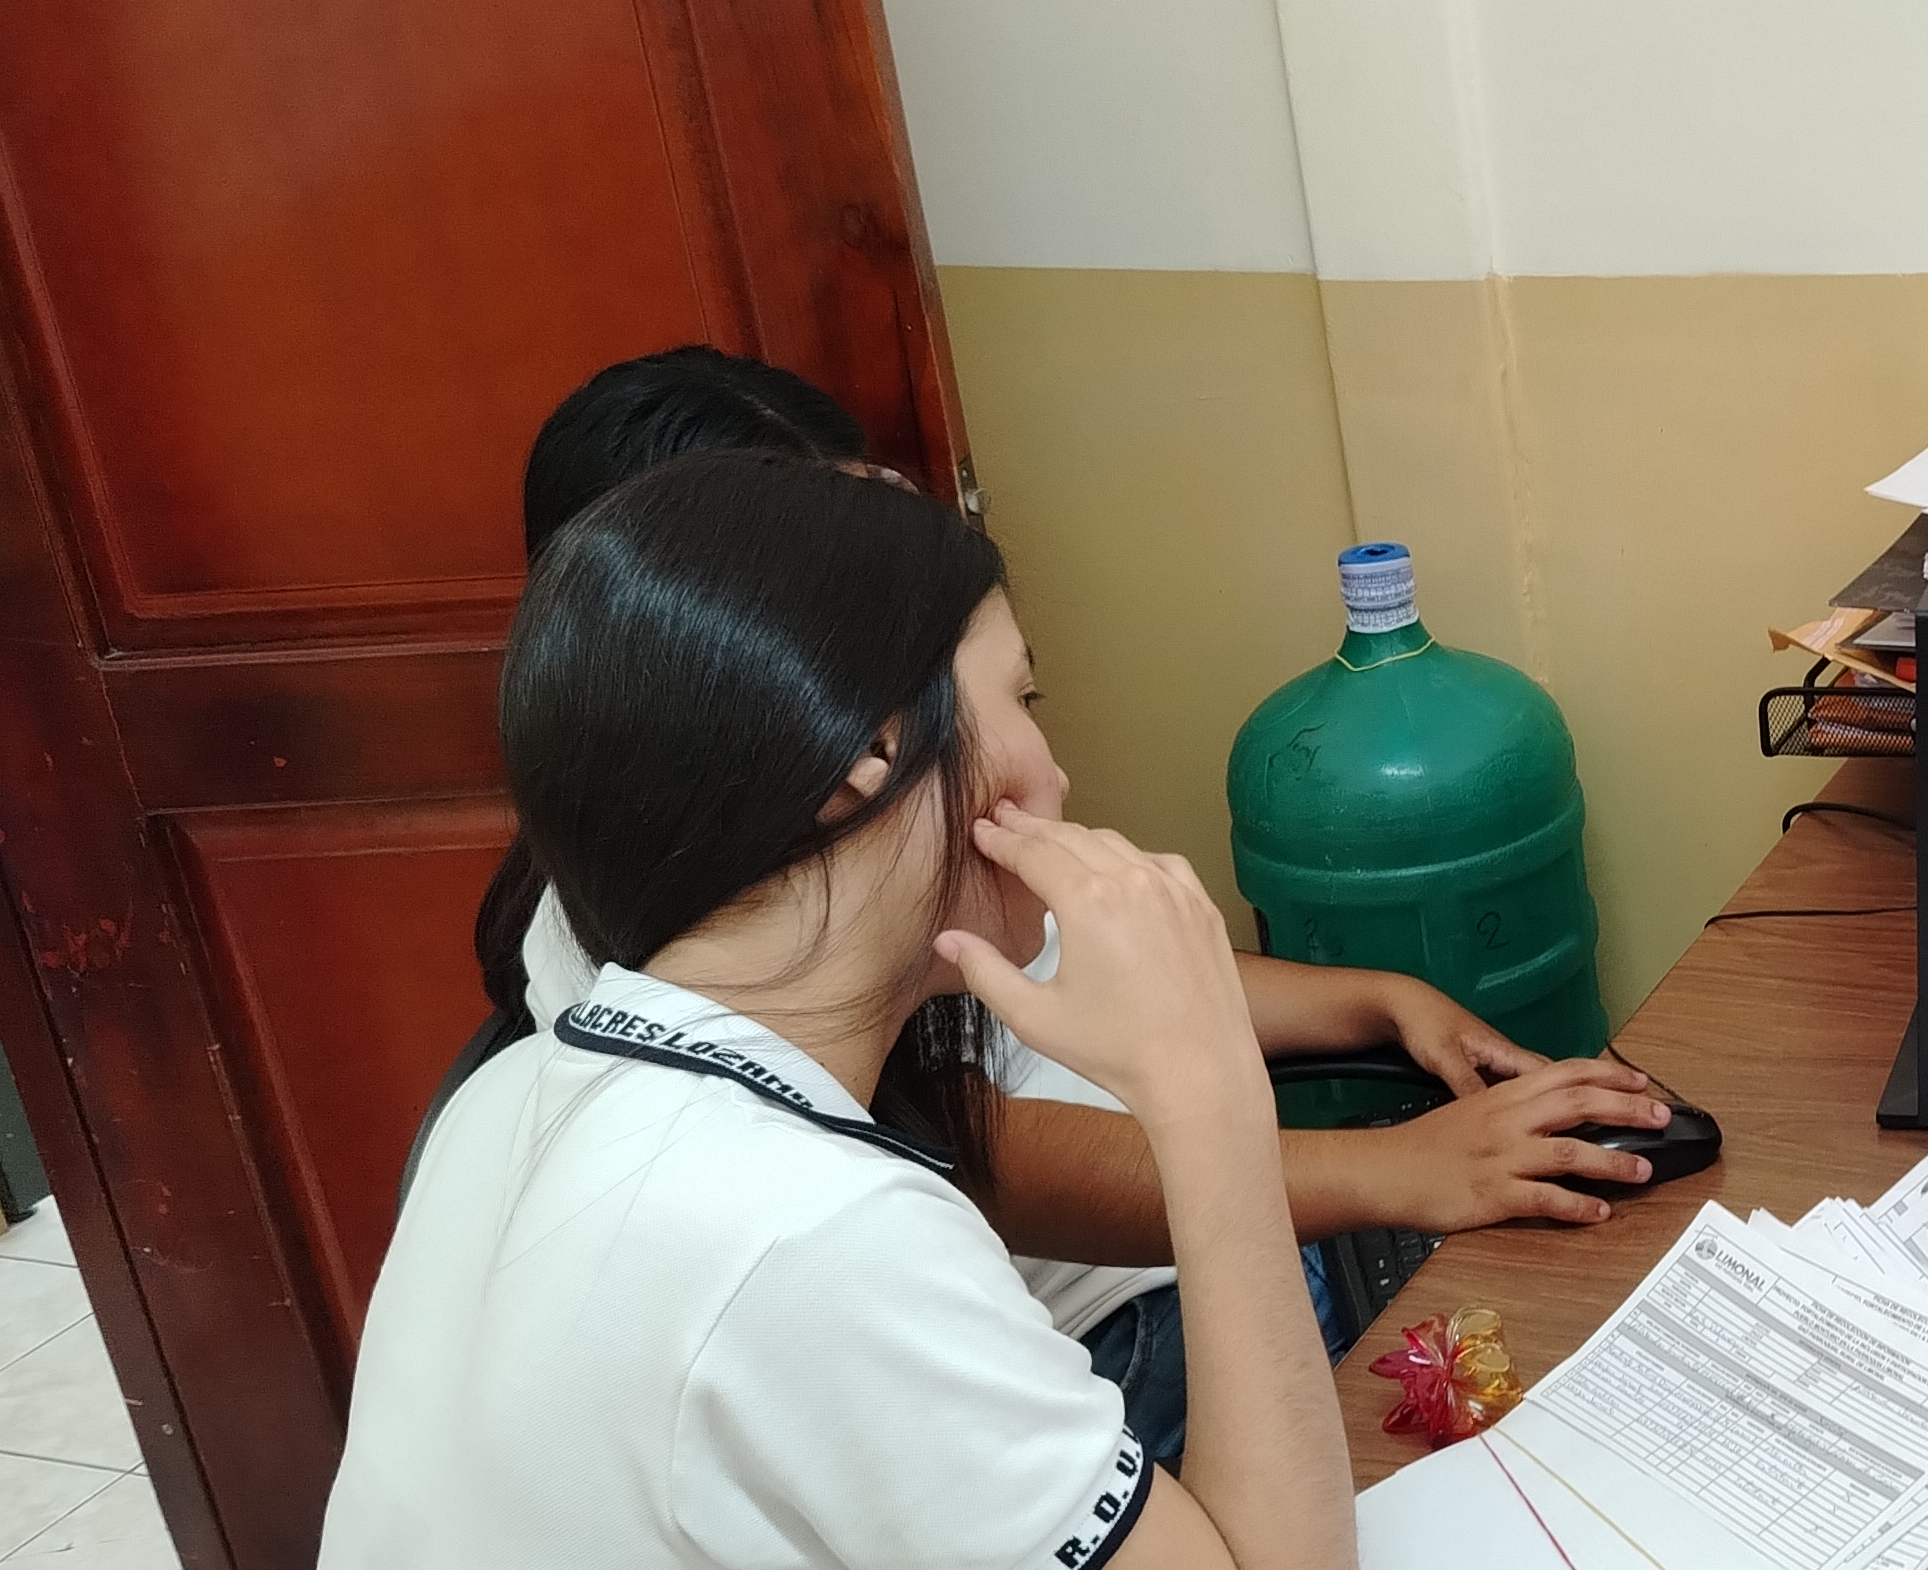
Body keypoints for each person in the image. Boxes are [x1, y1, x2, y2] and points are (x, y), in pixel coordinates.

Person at [293, 453, 1354, 1570]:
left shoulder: (528, 1091)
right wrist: (1208, 1110)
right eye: (1022, 705)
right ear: (865, 756)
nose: (1056, 777)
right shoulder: (811, 1233)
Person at [468, 347, 1673, 1459]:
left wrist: (1371, 1000)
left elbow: (1091, 961)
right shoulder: (690, 978)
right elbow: (983, 1154)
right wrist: (1392, 1171)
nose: (1046, 774)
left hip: (1229, 1220)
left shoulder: (889, 852)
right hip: (1132, 1322)